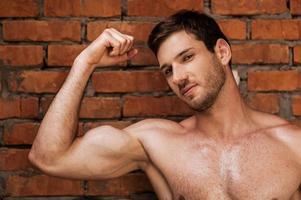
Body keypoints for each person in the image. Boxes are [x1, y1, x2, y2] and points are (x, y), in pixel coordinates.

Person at [28, 10, 301, 200]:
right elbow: (48, 158)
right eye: (168, 71)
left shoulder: (293, 145)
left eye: (187, 57)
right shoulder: (156, 143)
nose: (178, 77)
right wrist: (84, 63)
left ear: (221, 52)